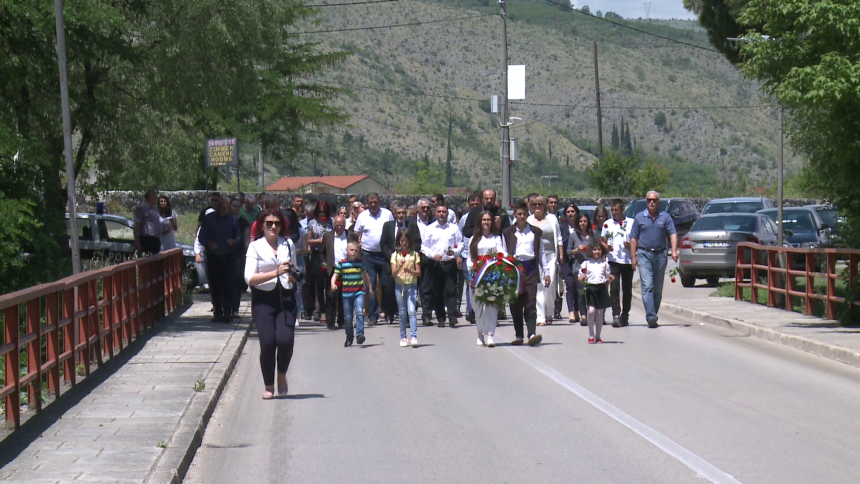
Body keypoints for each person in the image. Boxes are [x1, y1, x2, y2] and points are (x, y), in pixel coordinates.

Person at [244, 209, 298, 399]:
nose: (273, 226)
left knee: (285, 340)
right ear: (262, 226)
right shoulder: (255, 247)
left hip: (286, 297)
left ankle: (281, 374)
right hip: (263, 300)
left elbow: (294, 269)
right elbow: (249, 278)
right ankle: (268, 385)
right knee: (267, 343)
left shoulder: (288, 244)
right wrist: (276, 272)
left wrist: (293, 276)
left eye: (277, 223)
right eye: (269, 223)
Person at [502, 201, 548, 346]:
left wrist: (546, 272)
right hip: (514, 269)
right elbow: (503, 252)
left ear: (528, 215)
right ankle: (519, 335)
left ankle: (532, 334)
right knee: (515, 303)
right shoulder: (507, 233)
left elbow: (541, 253)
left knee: (530, 302)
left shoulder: (535, 232)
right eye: (519, 214)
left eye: (524, 214)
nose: (522, 217)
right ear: (514, 215)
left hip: (530, 269)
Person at [630, 191, 679, 328]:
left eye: (654, 200)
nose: (651, 202)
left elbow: (673, 234)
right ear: (646, 202)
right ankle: (651, 316)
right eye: (649, 200)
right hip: (644, 254)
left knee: (657, 289)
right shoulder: (639, 217)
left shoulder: (665, 217)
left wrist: (674, 251)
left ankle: (653, 313)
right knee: (647, 286)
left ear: (658, 202)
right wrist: (633, 257)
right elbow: (633, 238)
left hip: (660, 255)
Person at [353, 192, 393, 326]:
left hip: (384, 254)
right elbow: (356, 233)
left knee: (386, 285)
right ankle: (373, 315)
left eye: (375, 202)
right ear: (367, 203)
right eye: (371, 202)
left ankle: (388, 312)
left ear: (379, 201)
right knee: (371, 285)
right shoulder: (362, 216)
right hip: (368, 254)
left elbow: (393, 231)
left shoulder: (387, 214)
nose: (373, 204)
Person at [198, 196, 240, 323]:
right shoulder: (209, 219)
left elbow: (238, 237)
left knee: (228, 285)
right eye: (223, 208)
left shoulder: (233, 220)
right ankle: (218, 312)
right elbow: (201, 237)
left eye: (227, 208)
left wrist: (234, 241)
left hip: (228, 256)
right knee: (215, 286)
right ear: (218, 207)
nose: (225, 210)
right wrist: (209, 244)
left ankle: (227, 312)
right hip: (213, 257)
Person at [421, 205, 463, 328]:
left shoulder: (453, 228)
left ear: (447, 213)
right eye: (439, 212)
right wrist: (433, 255)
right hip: (435, 264)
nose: (441, 214)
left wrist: (454, 253)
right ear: (435, 213)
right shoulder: (429, 229)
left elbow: (460, 244)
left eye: (444, 212)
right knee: (437, 292)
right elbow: (424, 247)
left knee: (451, 290)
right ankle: (441, 318)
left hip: (449, 263)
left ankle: (452, 316)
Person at [469, 211, 506, 347]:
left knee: (491, 306)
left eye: (488, 220)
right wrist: (472, 270)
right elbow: (470, 258)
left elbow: (501, 253)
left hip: (492, 276)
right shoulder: (475, 239)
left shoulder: (496, 238)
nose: (486, 222)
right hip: (477, 277)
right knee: (478, 307)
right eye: (483, 220)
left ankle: (490, 334)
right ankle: (480, 333)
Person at [380, 202, 420, 324]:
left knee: (407, 290)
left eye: (403, 213)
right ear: (394, 214)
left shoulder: (412, 226)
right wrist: (392, 256)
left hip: (408, 263)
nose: (401, 215)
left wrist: (409, 253)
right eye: (398, 213)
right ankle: (390, 313)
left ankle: (407, 316)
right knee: (389, 289)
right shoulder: (388, 226)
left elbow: (418, 242)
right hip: (391, 262)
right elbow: (383, 244)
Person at [527, 196, 563, 326]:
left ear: (544, 206)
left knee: (551, 284)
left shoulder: (552, 219)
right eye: (535, 204)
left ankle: (549, 312)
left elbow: (558, 237)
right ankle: (541, 316)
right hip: (535, 258)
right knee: (539, 286)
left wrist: (561, 253)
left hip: (551, 257)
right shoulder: (529, 220)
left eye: (540, 204)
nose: (537, 207)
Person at [331, 241, 374, 347]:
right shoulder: (342, 263)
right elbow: (335, 275)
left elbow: (365, 276)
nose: (354, 252)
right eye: (351, 250)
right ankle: (349, 337)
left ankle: (360, 334)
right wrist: (333, 283)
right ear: (347, 251)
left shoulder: (360, 263)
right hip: (346, 295)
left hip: (358, 292)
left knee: (359, 312)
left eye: (356, 250)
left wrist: (370, 288)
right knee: (348, 317)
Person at [579, 240, 614, 344]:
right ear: (590, 251)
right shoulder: (586, 263)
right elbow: (580, 276)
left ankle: (598, 335)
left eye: (599, 249)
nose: (597, 252)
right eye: (594, 250)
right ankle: (591, 333)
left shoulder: (604, 264)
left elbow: (608, 276)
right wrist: (581, 278)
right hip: (590, 288)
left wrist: (610, 278)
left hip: (601, 288)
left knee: (599, 313)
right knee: (591, 311)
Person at [606, 199, 635, 327]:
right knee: (614, 288)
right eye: (612, 210)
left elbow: (636, 240)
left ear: (622, 209)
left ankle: (625, 315)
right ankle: (616, 314)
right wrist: (606, 246)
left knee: (627, 289)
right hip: (613, 260)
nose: (614, 213)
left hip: (627, 260)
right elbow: (603, 239)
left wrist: (631, 246)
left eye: (616, 210)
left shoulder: (631, 223)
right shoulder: (608, 224)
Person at [391, 230, 421, 347]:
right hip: (399, 285)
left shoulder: (414, 254)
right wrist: (399, 266)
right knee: (402, 312)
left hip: (411, 284)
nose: (404, 243)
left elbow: (418, 272)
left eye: (406, 241)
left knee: (412, 310)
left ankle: (414, 336)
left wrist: (410, 271)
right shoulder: (395, 255)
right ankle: (403, 337)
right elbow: (393, 273)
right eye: (402, 241)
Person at [305, 200, 333, 323]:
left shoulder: (331, 222)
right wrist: (319, 241)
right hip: (317, 254)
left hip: (328, 254)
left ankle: (330, 309)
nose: (322, 214)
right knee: (319, 283)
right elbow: (308, 241)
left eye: (324, 211)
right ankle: (322, 311)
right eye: (320, 211)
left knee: (329, 283)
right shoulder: (312, 223)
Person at [321, 215, 349, 330]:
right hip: (333, 269)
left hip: (347, 269)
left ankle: (342, 321)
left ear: (344, 225)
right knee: (331, 296)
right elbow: (321, 252)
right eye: (336, 225)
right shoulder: (328, 236)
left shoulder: (350, 235)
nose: (338, 227)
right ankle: (331, 321)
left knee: (344, 296)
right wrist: (323, 263)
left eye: (341, 225)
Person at [566, 213, 593, 325]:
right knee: (581, 292)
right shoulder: (573, 235)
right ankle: (583, 315)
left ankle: (593, 313)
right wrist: (576, 250)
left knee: (590, 292)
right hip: (578, 267)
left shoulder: (593, 235)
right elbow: (568, 252)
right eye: (581, 221)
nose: (583, 223)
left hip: (591, 267)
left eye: (585, 221)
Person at [460, 192, 482, 324]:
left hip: (481, 254)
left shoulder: (485, 216)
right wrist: (459, 255)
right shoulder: (464, 219)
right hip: (467, 254)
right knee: (470, 283)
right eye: (472, 204)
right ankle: (470, 310)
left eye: (477, 204)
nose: (474, 206)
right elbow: (461, 237)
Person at [133, 190, 162, 255]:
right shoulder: (141, 208)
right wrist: (137, 241)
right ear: (150, 197)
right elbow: (137, 225)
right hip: (147, 239)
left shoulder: (153, 209)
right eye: (154, 196)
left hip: (155, 240)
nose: (156, 198)